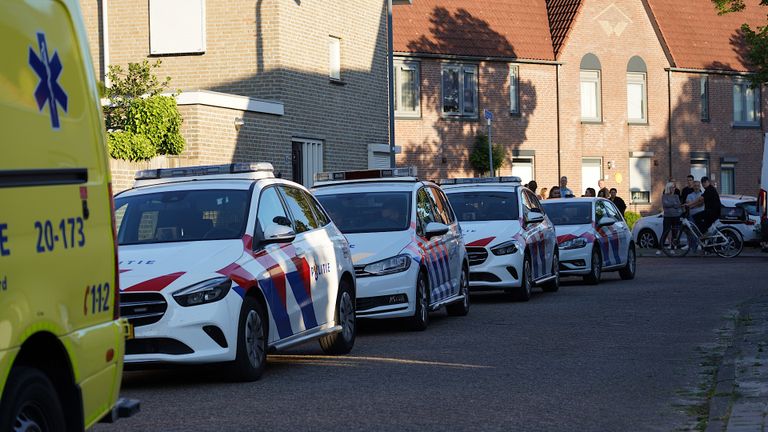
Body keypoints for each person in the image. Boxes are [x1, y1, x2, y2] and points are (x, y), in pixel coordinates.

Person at [659, 181, 683, 254]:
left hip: (676, 216)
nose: (674, 189)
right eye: (672, 187)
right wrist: (674, 204)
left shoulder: (676, 196)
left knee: (674, 233)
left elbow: (678, 205)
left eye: (674, 187)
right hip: (667, 216)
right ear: (668, 188)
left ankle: (672, 248)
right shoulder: (664, 196)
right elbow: (665, 205)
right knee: (665, 232)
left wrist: (672, 205)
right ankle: (660, 248)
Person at [684, 181, 704, 252]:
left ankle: (699, 244)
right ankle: (692, 246)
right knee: (691, 231)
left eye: (698, 186)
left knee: (699, 230)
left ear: (700, 187)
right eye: (695, 186)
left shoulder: (702, 194)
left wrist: (692, 205)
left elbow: (701, 204)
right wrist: (697, 203)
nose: (696, 187)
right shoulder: (689, 195)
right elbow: (688, 205)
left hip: (701, 215)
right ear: (693, 187)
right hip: (692, 216)